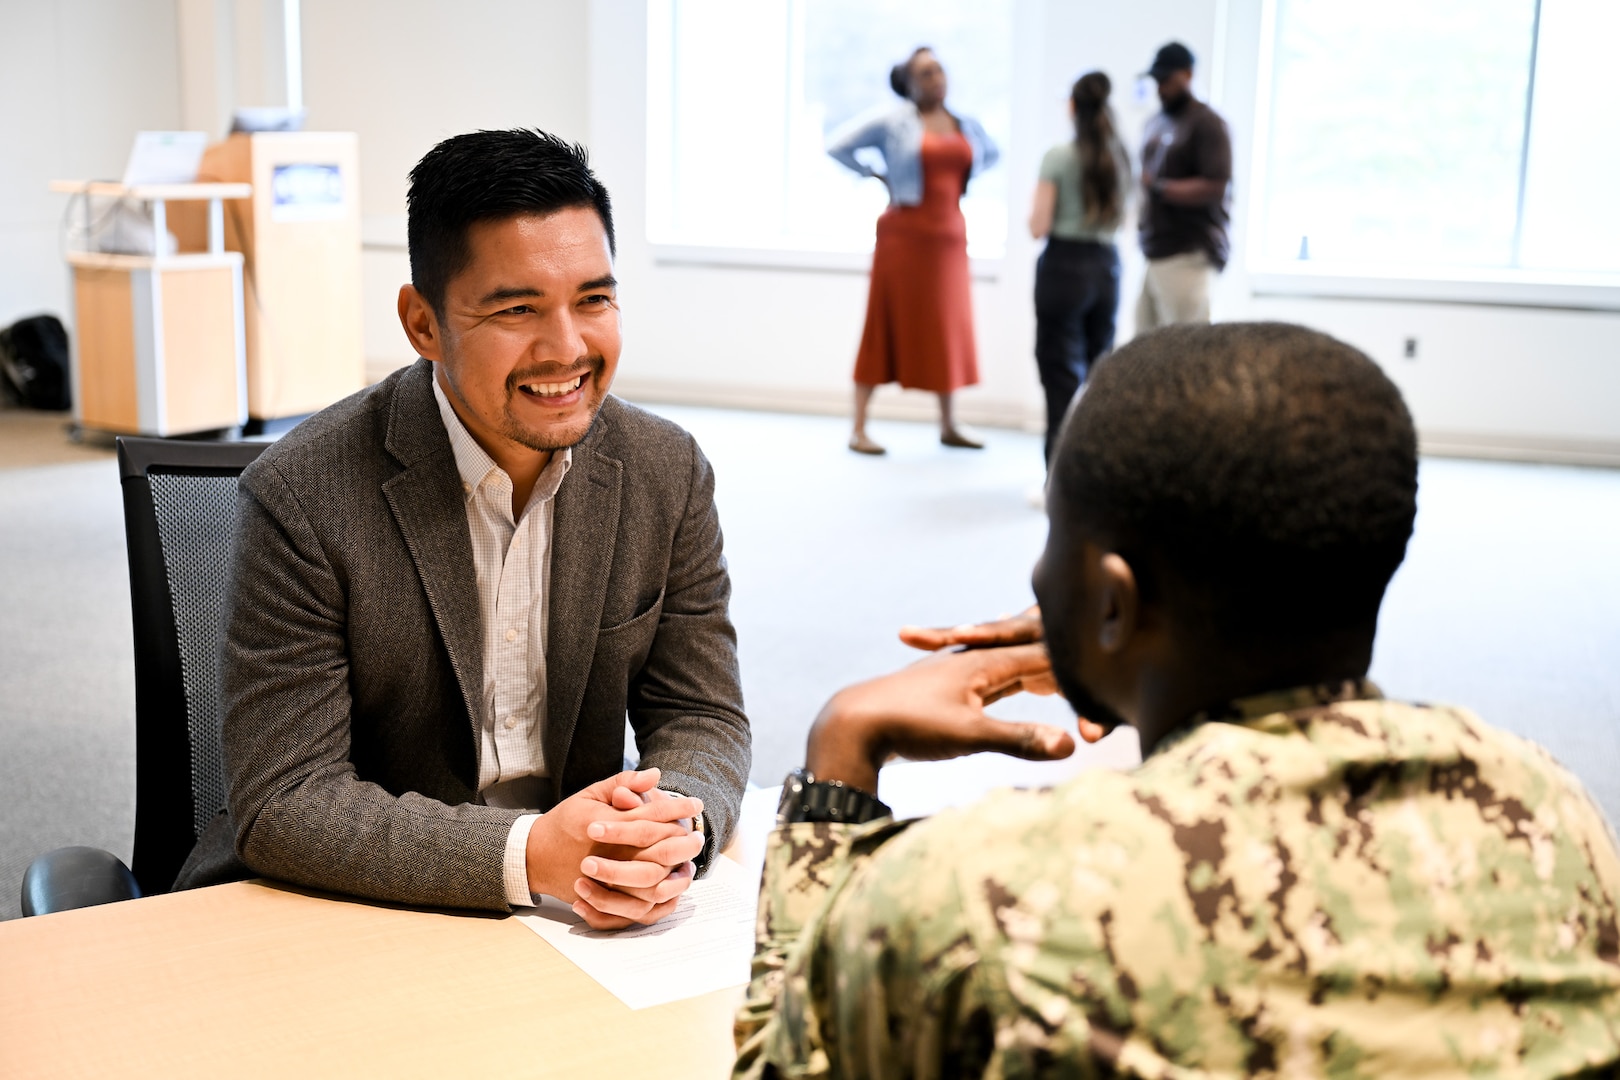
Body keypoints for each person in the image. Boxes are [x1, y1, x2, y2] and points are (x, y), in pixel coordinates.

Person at [718, 322, 1620, 1075]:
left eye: (1052, 539)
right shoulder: (1548, 810)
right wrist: (1120, 658)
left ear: (1114, 597)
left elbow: (778, 1065)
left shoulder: (983, 893)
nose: (1038, 575)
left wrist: (842, 752)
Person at [175, 130, 752, 930]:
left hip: (575, 918)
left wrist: (669, 834)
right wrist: (529, 854)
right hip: (351, 908)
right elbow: (287, 799)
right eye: (517, 309)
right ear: (423, 324)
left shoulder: (665, 471)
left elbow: (703, 716)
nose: (568, 348)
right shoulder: (302, 493)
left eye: (594, 299)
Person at [827, 47, 1000, 455]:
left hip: (949, 238)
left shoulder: (963, 122)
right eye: (925, 73)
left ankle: (948, 423)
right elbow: (837, 145)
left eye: (939, 70)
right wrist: (874, 174)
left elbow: (991, 154)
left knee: (946, 328)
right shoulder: (894, 121)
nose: (936, 79)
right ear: (908, 83)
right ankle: (859, 428)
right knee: (883, 324)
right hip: (903, 236)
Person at [1028, 71, 1130, 468]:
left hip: (1064, 268)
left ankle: (1057, 477)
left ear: (1072, 106)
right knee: (1097, 375)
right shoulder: (1120, 156)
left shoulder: (1058, 157)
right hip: (1107, 269)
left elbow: (1038, 224)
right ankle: (1092, 474)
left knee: (1059, 378)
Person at [1137, 42, 1232, 330]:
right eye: (1157, 80)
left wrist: (1162, 189)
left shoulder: (1207, 123)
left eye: (1167, 79)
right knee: (1142, 355)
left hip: (1188, 254)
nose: (1161, 87)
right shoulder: (1156, 121)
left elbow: (1216, 185)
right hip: (1155, 254)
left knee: (1186, 358)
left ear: (1188, 75)